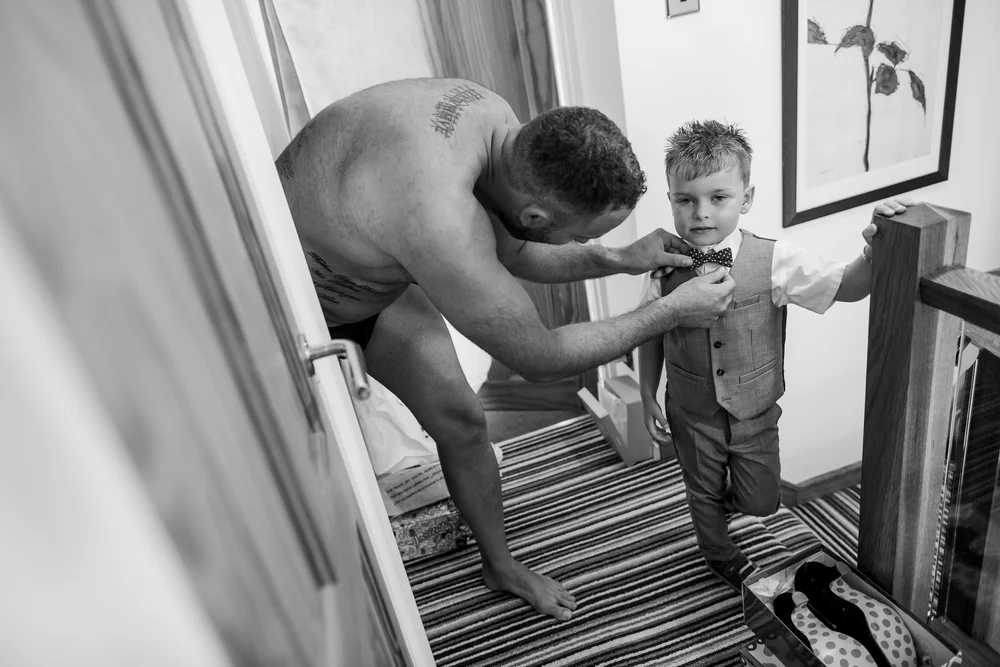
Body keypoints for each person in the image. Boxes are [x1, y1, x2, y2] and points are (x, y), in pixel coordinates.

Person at [276, 78, 736, 621]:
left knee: (463, 421)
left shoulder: (489, 117)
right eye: (581, 236)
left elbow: (512, 248)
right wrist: (667, 313)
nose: (583, 245)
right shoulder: (438, 214)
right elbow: (538, 357)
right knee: (305, 485)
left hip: (372, 277)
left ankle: (499, 566)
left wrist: (616, 259)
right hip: (287, 311)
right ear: (539, 215)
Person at [636, 120, 910, 592]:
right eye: (686, 200)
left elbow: (846, 286)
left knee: (762, 500)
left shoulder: (776, 259)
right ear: (672, 201)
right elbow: (647, 332)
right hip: (690, 409)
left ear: (746, 198)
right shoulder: (663, 265)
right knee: (700, 490)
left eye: (718, 197)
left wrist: (872, 250)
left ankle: (719, 503)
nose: (701, 213)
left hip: (755, 411)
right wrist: (646, 393)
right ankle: (718, 552)